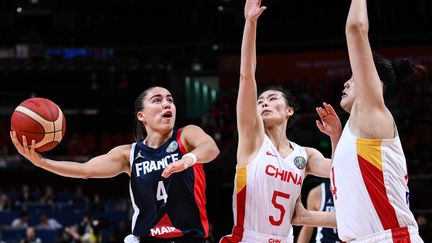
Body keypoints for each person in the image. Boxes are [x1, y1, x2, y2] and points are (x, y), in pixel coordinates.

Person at [10, 86, 220, 242]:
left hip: (191, 238)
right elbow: (85, 170)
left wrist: (188, 159)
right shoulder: (129, 154)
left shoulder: (186, 136)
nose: (167, 103)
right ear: (142, 116)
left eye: (170, 100)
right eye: (157, 100)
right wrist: (40, 162)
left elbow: (210, 148)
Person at [221, 1, 336, 242]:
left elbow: (342, 172)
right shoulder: (252, 140)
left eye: (272, 99)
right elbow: (246, 76)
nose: (263, 103)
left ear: (289, 111)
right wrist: (250, 24)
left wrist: (335, 136)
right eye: (260, 101)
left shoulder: (305, 155)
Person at [316, 0, 424, 242]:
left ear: (375, 82)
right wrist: (336, 139)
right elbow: (347, 201)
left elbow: (355, 27)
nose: (346, 82)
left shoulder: (373, 112)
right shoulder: (360, 132)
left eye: (353, 77)